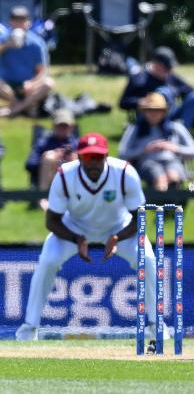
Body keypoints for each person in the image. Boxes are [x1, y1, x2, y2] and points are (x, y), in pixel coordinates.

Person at [15, 133, 165, 345]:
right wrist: (77, 238)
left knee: (148, 260)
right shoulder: (65, 175)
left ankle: (156, 325)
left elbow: (139, 219)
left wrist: (116, 237)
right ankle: (30, 328)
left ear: (106, 156)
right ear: (78, 157)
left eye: (98, 157)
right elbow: (52, 221)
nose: (93, 162)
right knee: (47, 261)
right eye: (88, 157)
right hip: (73, 227)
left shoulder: (124, 172)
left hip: (119, 227)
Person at [118, 92, 194, 191]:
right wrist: (145, 149)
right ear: (144, 112)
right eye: (150, 110)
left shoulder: (175, 127)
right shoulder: (135, 129)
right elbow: (122, 153)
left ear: (164, 112)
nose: (154, 113)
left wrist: (174, 148)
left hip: (172, 161)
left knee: (173, 175)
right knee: (160, 178)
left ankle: (175, 200)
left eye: (158, 110)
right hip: (146, 163)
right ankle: (160, 202)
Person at [119, 46, 194, 129]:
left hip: (171, 113)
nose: (168, 71)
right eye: (166, 67)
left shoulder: (171, 77)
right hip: (150, 116)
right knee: (162, 93)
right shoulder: (139, 78)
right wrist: (141, 101)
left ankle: (183, 131)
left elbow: (191, 92)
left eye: (169, 68)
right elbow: (123, 102)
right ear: (155, 64)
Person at [0, 6, 53, 117]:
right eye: (16, 21)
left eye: (22, 21)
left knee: (48, 83)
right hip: (6, 86)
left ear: (28, 23)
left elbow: (42, 71)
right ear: (11, 22)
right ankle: (22, 106)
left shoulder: (36, 43)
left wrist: (31, 84)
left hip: (27, 86)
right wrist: (7, 45)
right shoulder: (4, 39)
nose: (19, 24)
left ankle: (15, 109)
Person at [25, 109, 79, 211]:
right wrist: (52, 158)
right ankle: (43, 198)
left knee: (75, 158)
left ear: (71, 127)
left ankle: (73, 199)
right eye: (60, 126)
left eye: (65, 126)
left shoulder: (77, 144)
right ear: (54, 126)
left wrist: (70, 158)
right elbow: (29, 164)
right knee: (49, 157)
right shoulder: (43, 143)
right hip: (48, 180)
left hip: (70, 182)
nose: (62, 129)